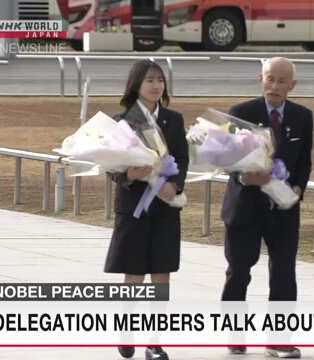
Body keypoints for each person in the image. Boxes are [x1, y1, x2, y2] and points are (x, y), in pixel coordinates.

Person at [220, 57, 313, 359]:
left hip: (284, 209)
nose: (274, 86)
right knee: (239, 272)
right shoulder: (241, 113)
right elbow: (226, 158)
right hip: (245, 207)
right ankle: (235, 333)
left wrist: (297, 188)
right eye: (270, 79)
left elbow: (303, 163)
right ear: (260, 79)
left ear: (292, 85)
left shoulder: (302, 116)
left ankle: (280, 339)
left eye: (281, 81)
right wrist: (244, 175)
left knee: (284, 273)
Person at [104, 59, 189, 360]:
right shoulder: (122, 121)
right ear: (136, 84)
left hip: (165, 207)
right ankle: (127, 330)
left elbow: (182, 156)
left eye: (160, 80)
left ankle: (155, 341)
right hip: (134, 209)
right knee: (135, 274)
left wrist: (174, 185)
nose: (156, 85)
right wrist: (131, 175)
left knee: (162, 274)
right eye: (150, 80)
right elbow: (111, 167)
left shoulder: (174, 119)